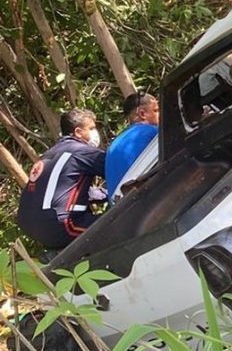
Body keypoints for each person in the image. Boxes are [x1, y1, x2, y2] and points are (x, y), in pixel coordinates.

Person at [16, 109, 106, 249]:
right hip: (59, 225)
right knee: (116, 225)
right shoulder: (81, 152)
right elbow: (116, 170)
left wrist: (102, 194)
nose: (95, 133)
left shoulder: (51, 153)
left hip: (29, 225)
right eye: (92, 128)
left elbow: (66, 190)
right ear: (78, 132)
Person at [105, 92, 159, 199]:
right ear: (142, 114)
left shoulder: (115, 143)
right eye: (156, 110)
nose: (160, 114)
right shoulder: (151, 132)